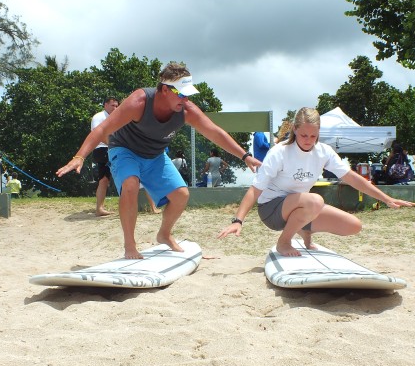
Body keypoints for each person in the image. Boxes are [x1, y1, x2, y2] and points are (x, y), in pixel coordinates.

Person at [57, 62, 262, 259]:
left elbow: (215, 133)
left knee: (181, 195)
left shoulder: (186, 110)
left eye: (188, 94)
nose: (185, 98)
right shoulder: (139, 101)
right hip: (125, 149)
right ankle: (130, 245)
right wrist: (79, 156)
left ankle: (164, 234)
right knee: (130, 185)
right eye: (181, 93)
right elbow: (102, 129)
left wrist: (245, 156)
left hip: (155, 155)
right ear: (165, 90)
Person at [218, 107, 415, 257]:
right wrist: (238, 220)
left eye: (313, 135)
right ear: (294, 130)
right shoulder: (279, 152)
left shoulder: (324, 152)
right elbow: (255, 189)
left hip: (301, 206)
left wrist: (386, 198)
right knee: (315, 201)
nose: (308, 140)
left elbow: (352, 178)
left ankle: (303, 229)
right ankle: (284, 242)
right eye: (304, 135)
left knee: (353, 226)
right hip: (271, 210)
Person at [90, 97, 119, 216]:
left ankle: (100, 208)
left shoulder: (116, 117)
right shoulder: (98, 117)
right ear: (105, 105)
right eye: (113, 105)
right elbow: (98, 134)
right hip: (102, 149)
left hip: (112, 149)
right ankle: (99, 208)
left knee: (106, 179)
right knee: (105, 179)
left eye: (117, 106)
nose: (115, 108)